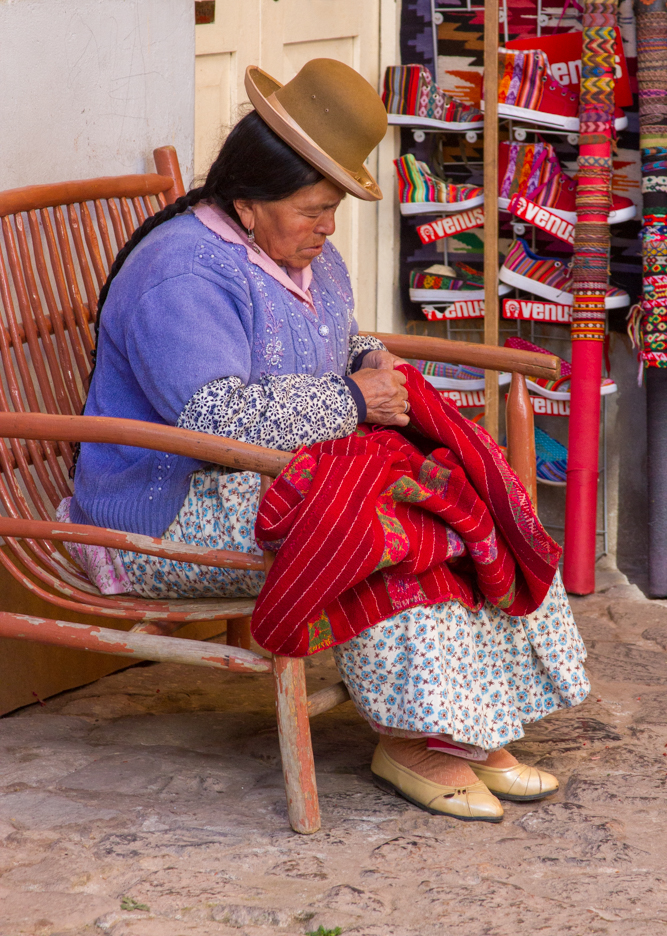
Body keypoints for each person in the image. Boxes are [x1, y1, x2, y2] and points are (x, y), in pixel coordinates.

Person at [59, 59, 589, 822]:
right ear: (246, 201)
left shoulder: (302, 253)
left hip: (266, 474)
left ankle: (468, 729)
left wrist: (363, 359)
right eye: (313, 210)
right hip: (163, 506)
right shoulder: (181, 274)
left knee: (452, 490)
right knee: (380, 519)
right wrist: (351, 398)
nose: (326, 228)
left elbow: (325, 342)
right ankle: (413, 737)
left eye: (332, 209)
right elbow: (214, 421)